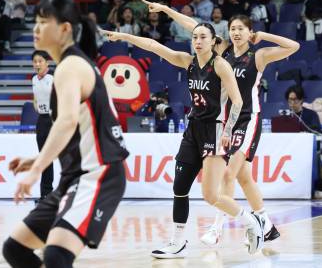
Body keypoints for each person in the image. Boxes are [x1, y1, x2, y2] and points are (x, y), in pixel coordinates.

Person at [139, 0, 300, 247]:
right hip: (224, 120)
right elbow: (193, 25)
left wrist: (263, 35)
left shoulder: (258, 56)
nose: (236, 33)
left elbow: (294, 46)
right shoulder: (221, 51)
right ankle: (266, 226)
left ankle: (217, 229)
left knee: (228, 173)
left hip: (248, 119)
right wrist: (167, 11)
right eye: (233, 29)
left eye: (241, 29)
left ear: (249, 32)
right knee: (244, 177)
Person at [103, 22, 265, 257]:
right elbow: (153, 46)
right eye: (195, 37)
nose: (197, 42)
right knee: (179, 187)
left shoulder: (220, 65)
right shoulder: (188, 62)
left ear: (213, 41)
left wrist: (229, 131)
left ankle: (251, 221)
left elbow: (238, 102)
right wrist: (124, 36)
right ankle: (177, 241)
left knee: (211, 196)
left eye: (202, 37)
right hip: (193, 130)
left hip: (216, 131)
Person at [2, 0, 129, 268]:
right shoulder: (71, 65)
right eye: (35, 22)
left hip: (99, 174)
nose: (36, 29)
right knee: (15, 249)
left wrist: (37, 170)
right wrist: (36, 161)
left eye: (43, 22)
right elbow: (76, 127)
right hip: (75, 177)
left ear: (64, 29)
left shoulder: (71, 66)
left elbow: (67, 121)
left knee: (57, 255)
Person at [31, 50, 54, 200]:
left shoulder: (53, 78)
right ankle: (46, 194)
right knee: (44, 158)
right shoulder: (34, 79)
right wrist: (38, 108)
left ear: (47, 63)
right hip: (43, 121)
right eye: (35, 62)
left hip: (56, 120)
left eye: (40, 61)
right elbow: (35, 99)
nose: (37, 64)